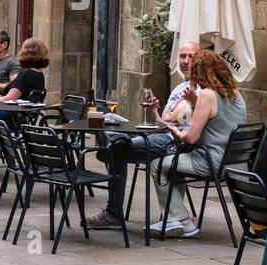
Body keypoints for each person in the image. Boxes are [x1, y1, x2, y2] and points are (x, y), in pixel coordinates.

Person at [84, 40, 202, 231]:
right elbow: (164, 120)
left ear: (201, 60)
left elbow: (178, 124)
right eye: (182, 56)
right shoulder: (180, 87)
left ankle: (113, 212)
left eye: (191, 56)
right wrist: (155, 110)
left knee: (116, 150)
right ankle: (120, 143)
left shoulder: (199, 90)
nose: (186, 61)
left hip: (172, 142)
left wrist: (186, 107)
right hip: (160, 132)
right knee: (108, 117)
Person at [147, 50, 248, 240]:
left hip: (210, 161)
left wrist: (175, 131)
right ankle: (177, 218)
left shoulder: (208, 94)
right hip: (235, 163)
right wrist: (194, 104)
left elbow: (191, 138)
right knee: (173, 164)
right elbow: (218, 122)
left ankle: (180, 219)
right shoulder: (236, 94)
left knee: (158, 165)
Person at [0, 37, 47, 102]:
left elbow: (10, 99)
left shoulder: (27, 75)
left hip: (8, 112)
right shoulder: (39, 75)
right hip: (22, 111)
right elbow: (19, 98)